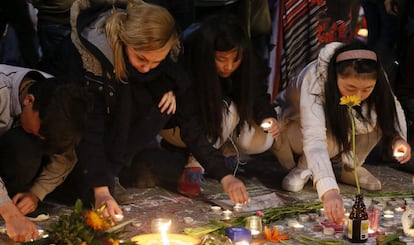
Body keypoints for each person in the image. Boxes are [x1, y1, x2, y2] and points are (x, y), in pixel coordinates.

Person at [59, 0, 249, 221]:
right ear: (126, 42)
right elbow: (90, 128)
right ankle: (95, 179)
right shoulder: (93, 60)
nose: (147, 67)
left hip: (118, 128)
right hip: (71, 123)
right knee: (86, 191)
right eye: (141, 58)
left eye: (157, 61)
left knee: (164, 105)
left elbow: (191, 128)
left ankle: (113, 173)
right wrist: (100, 190)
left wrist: (224, 175)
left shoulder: (168, 71)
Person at [276, 40, 411, 224]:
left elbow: (390, 107)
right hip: (293, 130)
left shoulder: (375, 73)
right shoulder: (314, 78)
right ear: (335, 76)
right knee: (324, 141)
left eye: (367, 89)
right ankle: (303, 166)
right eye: (351, 88)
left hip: (334, 129)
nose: (359, 95)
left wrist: (398, 139)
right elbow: (314, 139)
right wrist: (329, 191)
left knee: (373, 114)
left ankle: (351, 166)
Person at [159, 13, 280, 197]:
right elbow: (191, 127)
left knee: (263, 139)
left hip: (220, 125)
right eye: (221, 60)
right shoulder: (191, 66)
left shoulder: (247, 62)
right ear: (209, 55)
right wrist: (224, 176)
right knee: (226, 109)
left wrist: (267, 116)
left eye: (235, 60)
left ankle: (225, 149)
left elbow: (256, 92)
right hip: (179, 129)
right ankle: (194, 166)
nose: (229, 67)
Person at [0, 64, 91, 242]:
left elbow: (64, 156)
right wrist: (10, 213)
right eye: (40, 133)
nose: (42, 139)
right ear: (29, 101)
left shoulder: (62, 101)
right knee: (21, 144)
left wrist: (36, 193)